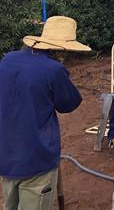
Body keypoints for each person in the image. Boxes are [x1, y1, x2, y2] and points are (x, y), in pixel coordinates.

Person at [0, 16, 90, 210]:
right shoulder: (53, 69)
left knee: (10, 205)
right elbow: (69, 103)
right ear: (58, 49)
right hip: (37, 157)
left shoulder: (7, 60)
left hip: (7, 155)